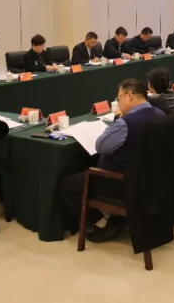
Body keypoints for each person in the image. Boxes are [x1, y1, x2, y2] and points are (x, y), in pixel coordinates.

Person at [59, 79, 165, 242]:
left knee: (66, 185)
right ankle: (116, 218)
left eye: (119, 98)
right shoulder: (160, 114)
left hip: (119, 182)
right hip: (151, 179)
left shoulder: (126, 123)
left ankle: (104, 222)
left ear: (130, 96)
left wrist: (117, 121)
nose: (118, 103)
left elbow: (101, 147)